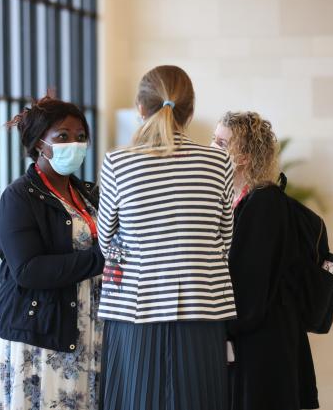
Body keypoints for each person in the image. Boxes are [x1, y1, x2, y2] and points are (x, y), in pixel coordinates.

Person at [97, 65, 235, 410]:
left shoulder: (118, 162)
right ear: (190, 111)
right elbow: (225, 239)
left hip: (134, 308)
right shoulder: (218, 163)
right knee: (199, 399)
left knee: (136, 398)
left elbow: (105, 241)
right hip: (202, 306)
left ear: (140, 108)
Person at [0, 95, 106, 410]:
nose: (75, 144)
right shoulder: (19, 196)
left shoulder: (89, 193)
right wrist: (100, 260)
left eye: (81, 137)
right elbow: (29, 270)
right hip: (39, 337)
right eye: (63, 136)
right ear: (40, 143)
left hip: (86, 330)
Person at [211, 111, 319, 410]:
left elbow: (250, 286)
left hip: (264, 343)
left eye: (221, 143)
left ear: (243, 156)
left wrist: (221, 329)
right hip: (254, 334)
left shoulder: (265, 203)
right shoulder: (240, 199)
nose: (212, 148)